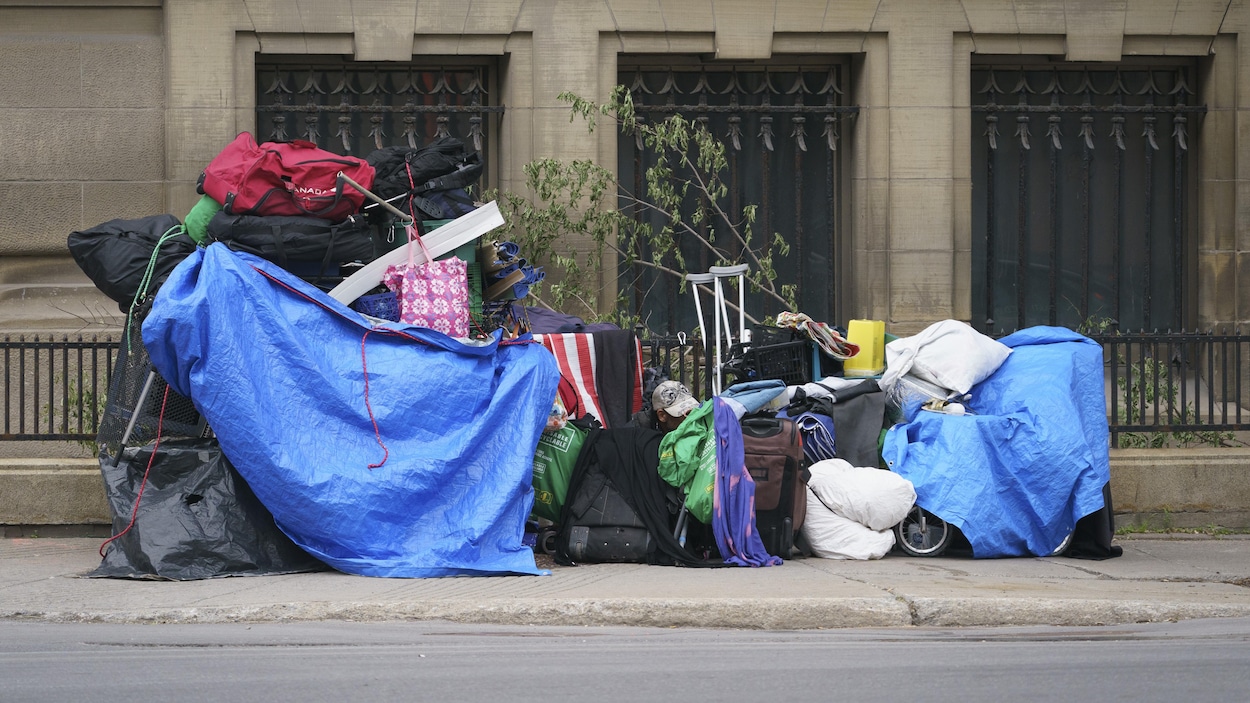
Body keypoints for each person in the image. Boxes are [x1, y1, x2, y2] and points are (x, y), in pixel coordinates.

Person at [630, 380, 701, 433]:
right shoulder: (635, 434)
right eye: (685, 414)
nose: (692, 418)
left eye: (692, 411)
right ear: (662, 415)